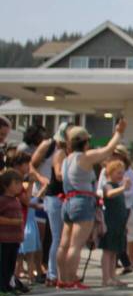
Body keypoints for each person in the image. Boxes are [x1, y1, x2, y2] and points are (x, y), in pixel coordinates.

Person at [56, 120, 127, 289]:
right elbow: (108, 150)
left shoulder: (67, 160)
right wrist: (118, 133)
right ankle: (72, 278)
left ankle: (62, 278)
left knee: (64, 244)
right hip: (82, 201)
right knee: (76, 244)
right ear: (85, 142)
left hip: (67, 200)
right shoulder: (84, 157)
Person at [30, 122, 68, 286]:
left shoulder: (70, 150)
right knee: (46, 235)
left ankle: (54, 272)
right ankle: (46, 272)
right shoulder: (49, 145)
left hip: (59, 193)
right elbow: (31, 165)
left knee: (55, 237)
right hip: (43, 193)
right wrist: (41, 179)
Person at [98, 159, 129, 288]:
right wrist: (123, 188)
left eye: (122, 173)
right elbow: (108, 194)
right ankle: (106, 278)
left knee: (115, 251)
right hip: (110, 222)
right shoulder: (108, 185)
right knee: (108, 251)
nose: (121, 176)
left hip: (119, 223)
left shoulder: (118, 187)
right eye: (118, 173)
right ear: (110, 173)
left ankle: (113, 276)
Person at [0, 169, 27, 296]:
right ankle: (2, 288)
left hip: (14, 239)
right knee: (3, 265)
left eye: (20, 183)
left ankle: (10, 286)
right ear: (6, 185)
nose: (19, 186)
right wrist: (12, 221)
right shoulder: (3, 200)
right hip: (4, 239)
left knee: (11, 265)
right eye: (16, 183)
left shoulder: (16, 200)